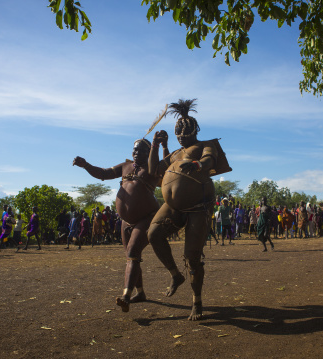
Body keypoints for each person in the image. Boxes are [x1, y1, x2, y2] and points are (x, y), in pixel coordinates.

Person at [147, 98, 231, 320]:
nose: (181, 136)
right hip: (173, 207)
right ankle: (175, 275)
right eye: (178, 132)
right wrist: (155, 144)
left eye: (185, 131)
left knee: (191, 257)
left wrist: (195, 165)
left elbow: (209, 161)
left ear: (195, 129)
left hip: (197, 208)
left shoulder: (205, 145)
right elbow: (153, 169)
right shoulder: (174, 154)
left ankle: (197, 301)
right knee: (153, 234)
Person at [74, 136, 166, 313]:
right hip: (126, 221)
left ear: (149, 153)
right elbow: (103, 173)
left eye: (140, 150)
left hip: (147, 217)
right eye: (134, 149)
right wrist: (86, 165)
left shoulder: (153, 168)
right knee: (132, 257)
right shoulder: (125, 167)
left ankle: (125, 296)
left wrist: (163, 146)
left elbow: (168, 165)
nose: (135, 152)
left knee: (132, 253)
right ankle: (140, 293)